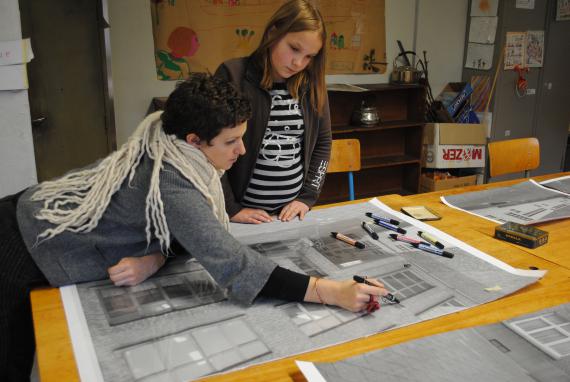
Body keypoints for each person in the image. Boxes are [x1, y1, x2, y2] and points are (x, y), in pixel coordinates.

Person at [0, 74, 388, 381]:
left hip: (37, 219)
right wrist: (329, 291)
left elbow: (186, 229)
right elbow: (233, 264)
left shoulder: (177, 145)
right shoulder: (174, 178)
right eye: (232, 141)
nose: (242, 150)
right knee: (11, 362)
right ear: (194, 141)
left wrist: (155, 257)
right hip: (20, 242)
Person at [215, 0, 331, 224]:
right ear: (273, 33)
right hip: (240, 215)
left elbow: (323, 143)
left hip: (289, 215)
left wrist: (307, 197)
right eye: (294, 48)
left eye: (309, 56)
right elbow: (208, 149)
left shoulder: (313, 84)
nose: (298, 62)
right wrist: (231, 208)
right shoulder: (232, 74)